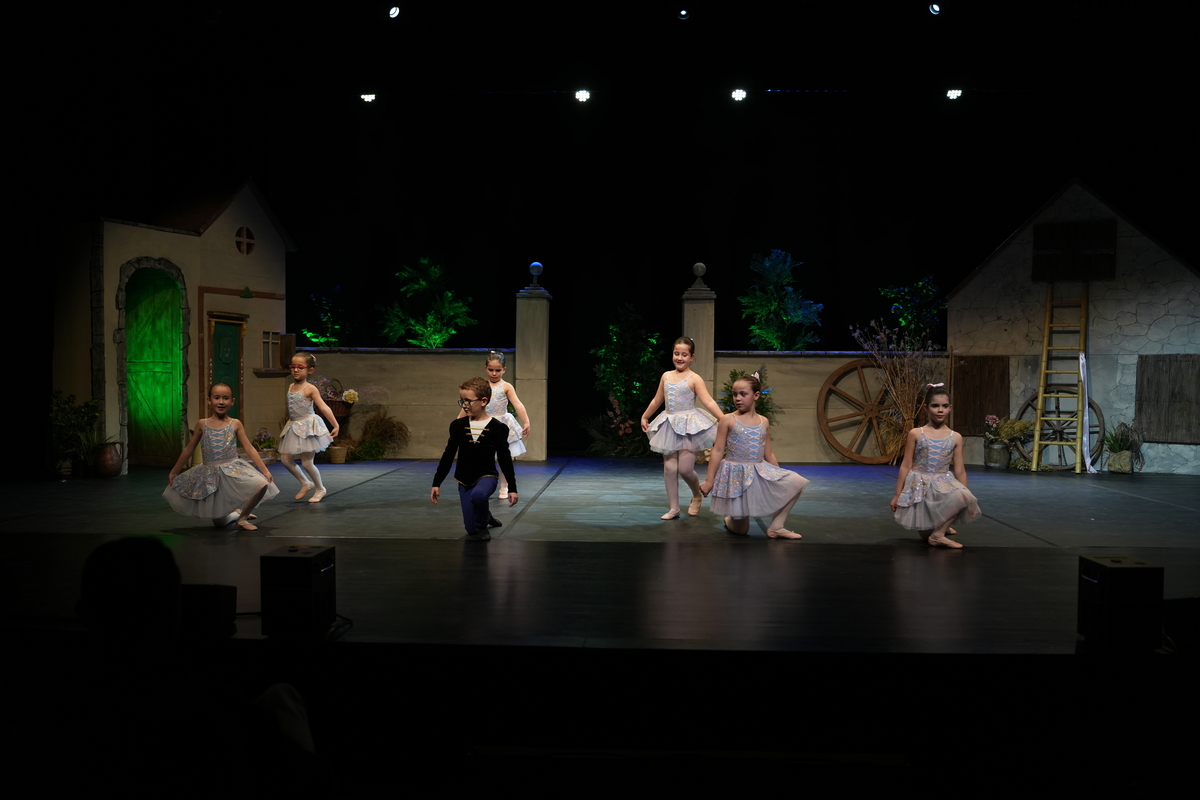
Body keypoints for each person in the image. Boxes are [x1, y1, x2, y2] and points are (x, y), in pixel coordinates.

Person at [699, 373, 809, 538]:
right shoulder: (728, 419)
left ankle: (776, 526)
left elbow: (768, 453)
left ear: (756, 395)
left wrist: (778, 476)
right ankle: (729, 517)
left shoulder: (763, 422)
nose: (738, 398)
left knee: (797, 482)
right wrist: (709, 480)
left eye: (743, 394)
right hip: (736, 475)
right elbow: (718, 450)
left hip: (758, 471)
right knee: (741, 530)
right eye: (735, 394)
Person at [165, 382, 278, 531]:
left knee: (262, 484)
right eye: (217, 397)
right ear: (209, 400)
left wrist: (265, 470)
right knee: (219, 523)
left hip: (232, 469)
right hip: (210, 474)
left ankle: (243, 518)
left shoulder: (235, 423)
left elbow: (249, 448)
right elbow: (189, 449)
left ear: (232, 401)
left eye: (226, 398)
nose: (221, 402)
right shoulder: (202, 424)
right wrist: (174, 471)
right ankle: (235, 514)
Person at [640, 336, 724, 520]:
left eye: (684, 355)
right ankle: (674, 508)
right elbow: (657, 399)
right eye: (676, 353)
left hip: (688, 426)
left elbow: (708, 401)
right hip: (669, 425)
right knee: (670, 468)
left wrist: (723, 419)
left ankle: (696, 494)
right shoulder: (666, 376)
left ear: (692, 357)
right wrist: (645, 415)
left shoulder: (695, 379)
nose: (679, 358)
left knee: (685, 469)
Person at [890, 383, 981, 548]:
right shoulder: (916, 433)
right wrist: (897, 494)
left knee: (964, 497)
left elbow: (960, 469)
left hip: (942, 482)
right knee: (925, 537)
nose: (940, 410)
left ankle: (939, 534)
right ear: (926, 408)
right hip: (920, 484)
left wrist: (967, 496)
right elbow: (906, 464)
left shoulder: (955, 437)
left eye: (944, 406)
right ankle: (939, 528)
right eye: (935, 406)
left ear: (950, 408)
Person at [431, 377, 519, 541]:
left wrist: (512, 488)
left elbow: (504, 459)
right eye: (462, 400)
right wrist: (437, 482)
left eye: (468, 401)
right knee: (471, 529)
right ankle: (487, 516)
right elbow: (448, 455)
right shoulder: (458, 426)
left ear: (483, 401)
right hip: (464, 479)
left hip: (487, 476)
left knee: (478, 496)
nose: (464, 405)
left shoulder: (497, 428)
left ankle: (483, 523)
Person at [459, 350, 529, 499]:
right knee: (482, 457)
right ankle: (479, 483)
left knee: (504, 456)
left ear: (504, 369)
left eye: (498, 370)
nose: (494, 373)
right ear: (486, 369)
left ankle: (505, 486)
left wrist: (526, 421)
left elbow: (517, 404)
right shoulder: (481, 387)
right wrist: (458, 422)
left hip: (501, 424)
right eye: (491, 370)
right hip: (484, 423)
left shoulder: (506, 386)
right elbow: (468, 405)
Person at [279, 353, 340, 503]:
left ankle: (320, 488)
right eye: (293, 367)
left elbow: (324, 407)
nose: (295, 370)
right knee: (285, 459)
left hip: (308, 427)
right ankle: (306, 483)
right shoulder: (291, 386)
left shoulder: (310, 388)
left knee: (307, 462)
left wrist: (335, 424)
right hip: (294, 426)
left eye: (300, 367)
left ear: (310, 370)